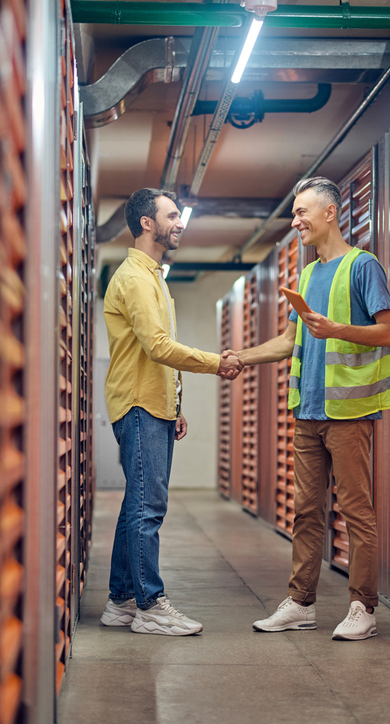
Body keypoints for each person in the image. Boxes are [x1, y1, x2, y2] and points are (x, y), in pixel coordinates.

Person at [223, 177, 390, 640]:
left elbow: (389, 333)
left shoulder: (362, 267)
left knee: (357, 511)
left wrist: (337, 329)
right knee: (306, 512)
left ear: (329, 213)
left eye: (302, 212)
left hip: (349, 413)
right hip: (309, 413)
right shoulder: (305, 275)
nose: (295, 220)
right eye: (295, 213)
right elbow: (289, 342)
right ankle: (301, 603)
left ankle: (364, 607)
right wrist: (240, 357)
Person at [100, 187, 243, 636]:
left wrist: (175, 404)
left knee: (136, 505)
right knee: (149, 507)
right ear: (147, 222)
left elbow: (156, 349)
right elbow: (158, 346)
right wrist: (215, 363)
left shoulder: (154, 276)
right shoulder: (136, 278)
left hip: (153, 404)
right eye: (172, 214)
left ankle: (121, 600)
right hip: (139, 403)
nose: (180, 222)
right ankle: (149, 605)